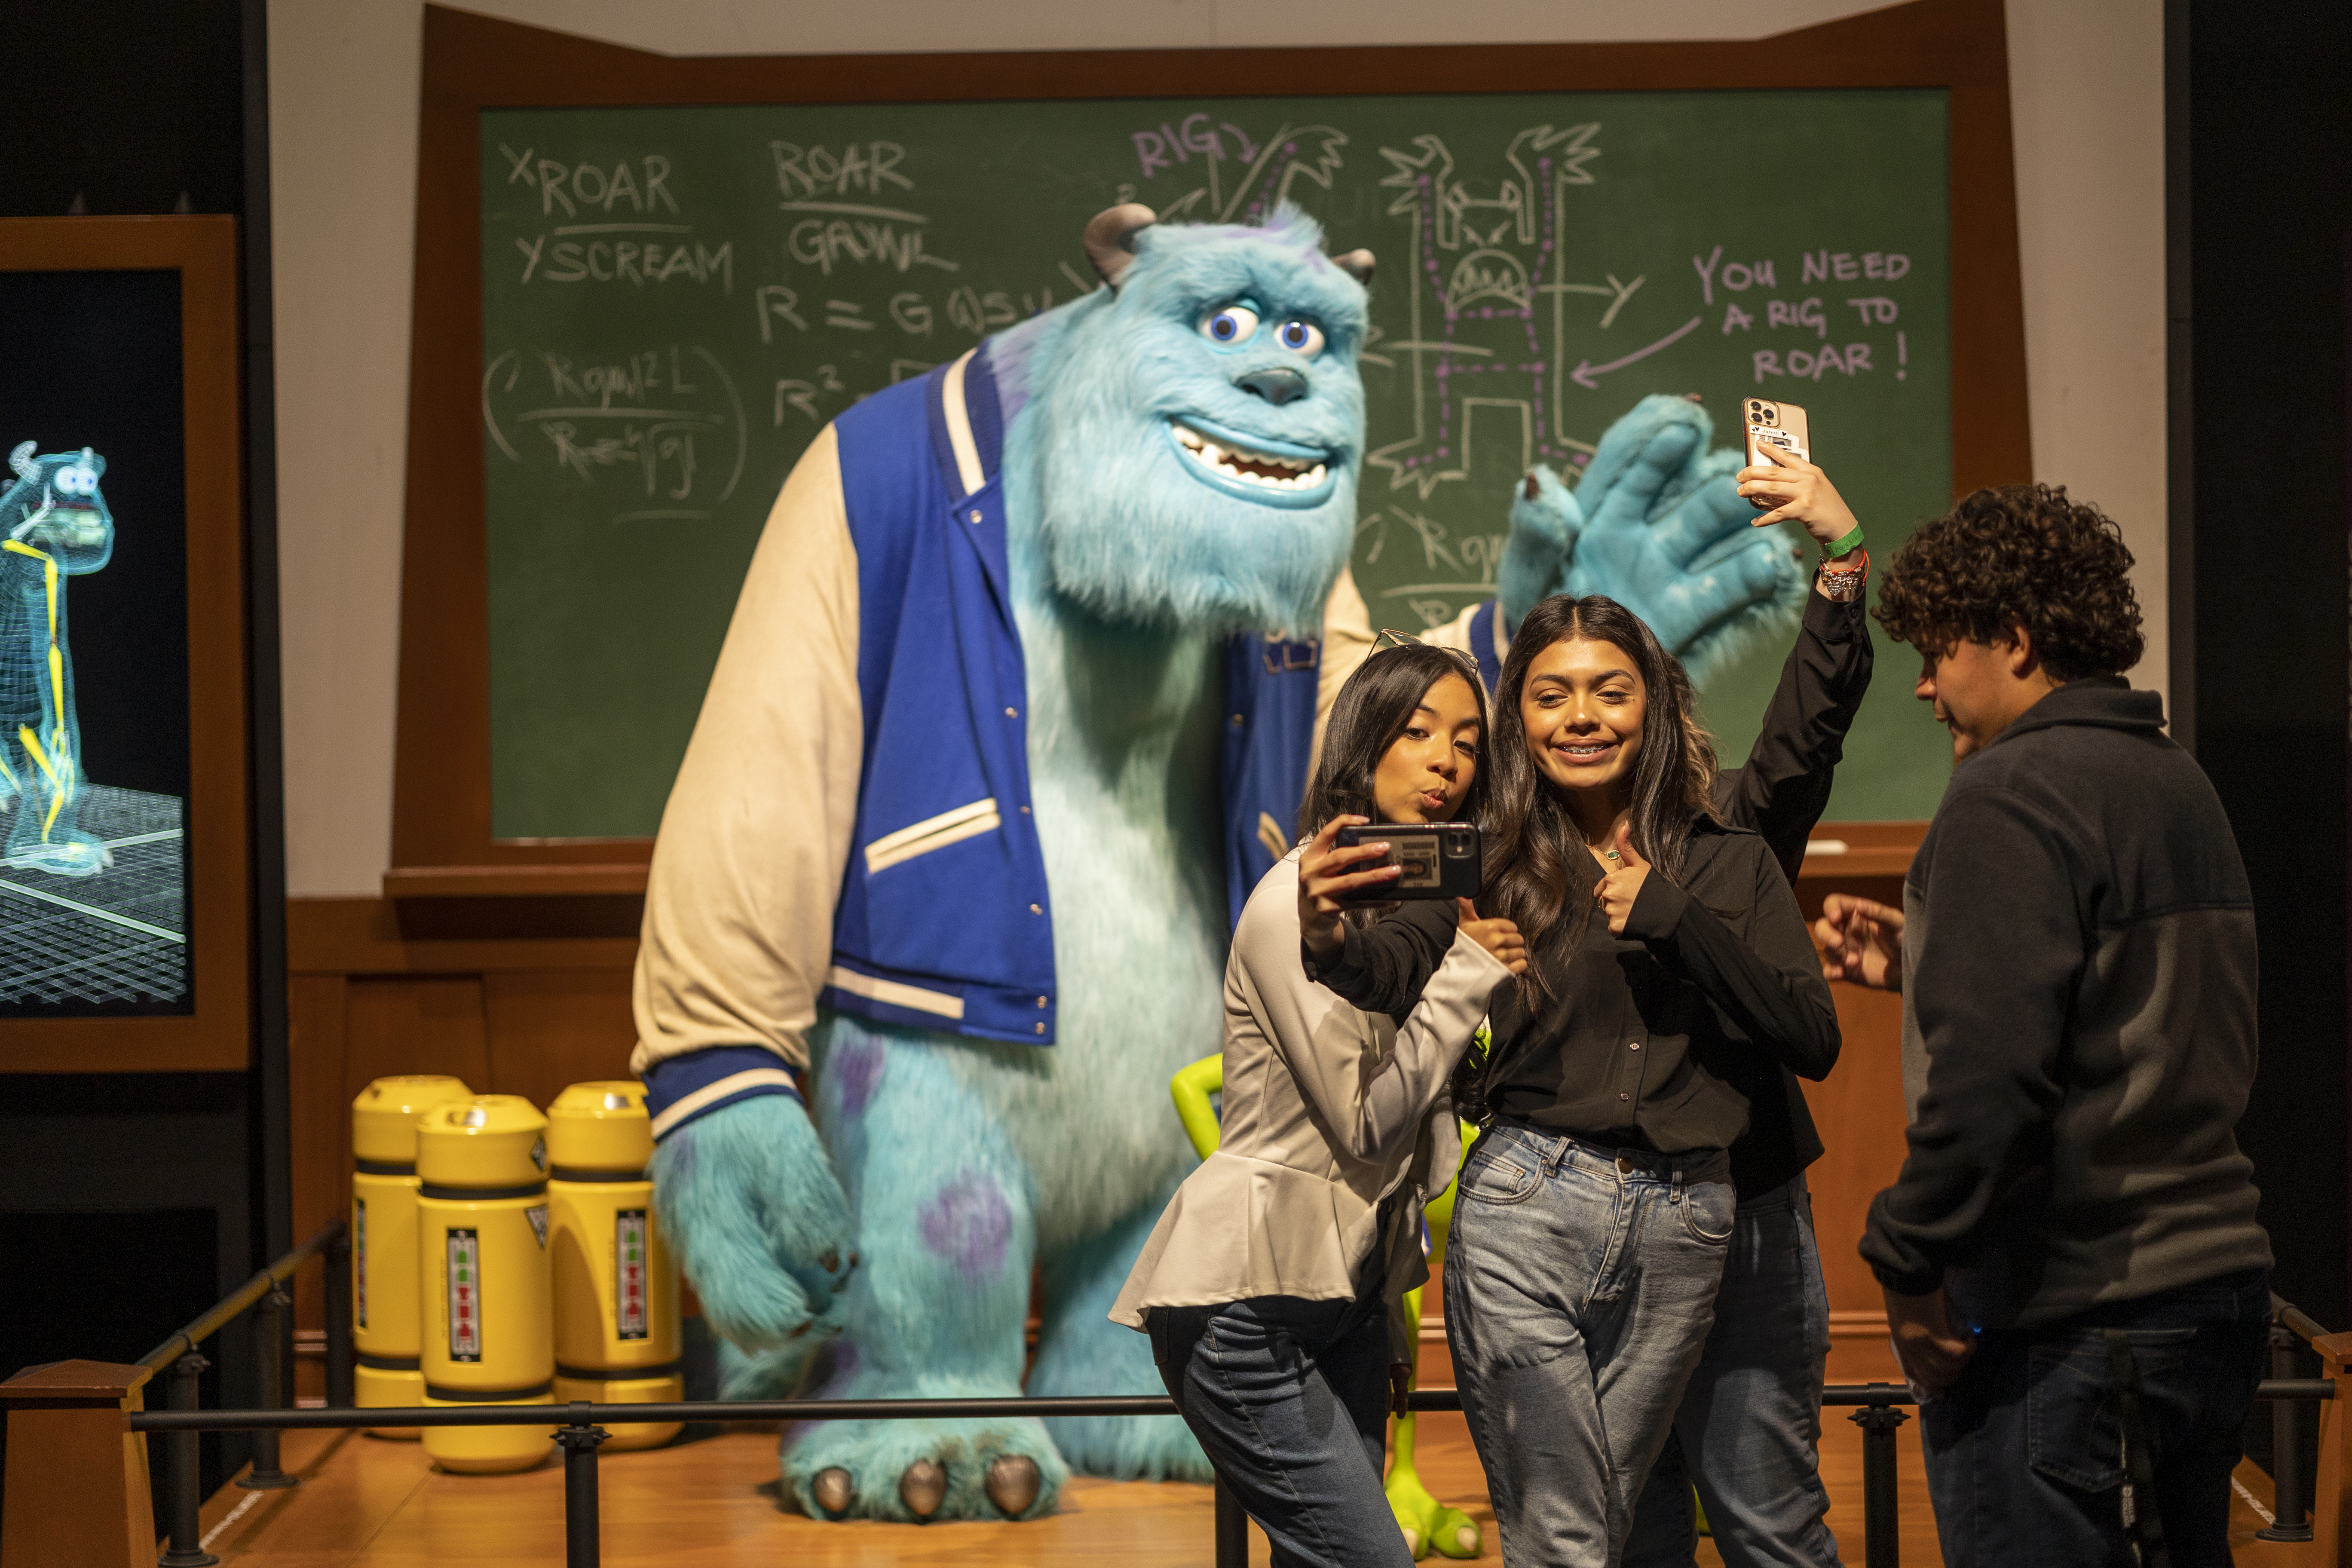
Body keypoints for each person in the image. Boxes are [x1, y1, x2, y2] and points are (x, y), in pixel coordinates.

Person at [1309, 595, 1841, 1568]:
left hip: (1692, 1219)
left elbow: (1813, 1035)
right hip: (1530, 1203)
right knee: (1569, 1537)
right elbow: (1383, 968)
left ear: (1657, 705)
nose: (1582, 716)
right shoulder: (1492, 855)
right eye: (1552, 696)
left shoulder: (1727, 852)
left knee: (1622, 1528)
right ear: (1521, 719)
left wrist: (1677, 919)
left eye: (1611, 692)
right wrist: (1323, 935)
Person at [1830, 484, 2271, 1568]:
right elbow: (2135, 1010)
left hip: (2071, 1323)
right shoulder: (2178, 782)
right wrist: (1930, 963)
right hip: (2210, 1304)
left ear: (2016, 640)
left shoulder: (2007, 795)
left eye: (1939, 654)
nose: (1926, 689)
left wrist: (1905, 1260)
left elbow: (1992, 1088)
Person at [1110, 641, 1525, 1568]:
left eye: (1466, 741)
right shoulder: (1293, 901)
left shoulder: (1423, 913)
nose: (1446, 762)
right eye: (1417, 733)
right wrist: (1468, 979)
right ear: (1364, 744)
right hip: (1244, 1303)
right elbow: (1364, 1121)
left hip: (1351, 1295)